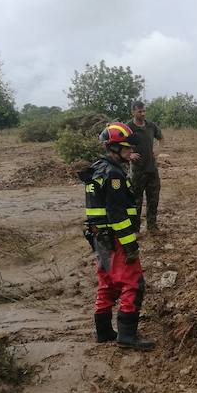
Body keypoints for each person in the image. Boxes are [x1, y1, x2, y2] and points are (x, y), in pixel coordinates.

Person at [78, 122, 155, 350]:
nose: (130, 151)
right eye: (127, 148)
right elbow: (118, 215)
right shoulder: (114, 174)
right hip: (116, 238)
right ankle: (127, 335)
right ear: (114, 148)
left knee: (107, 282)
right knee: (133, 283)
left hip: (99, 238)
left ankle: (103, 331)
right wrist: (130, 246)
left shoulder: (97, 169)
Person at [126, 101, 164, 232]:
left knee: (153, 199)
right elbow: (118, 145)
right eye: (139, 111)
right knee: (136, 201)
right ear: (133, 112)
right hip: (137, 171)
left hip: (152, 169)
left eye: (144, 111)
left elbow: (161, 138)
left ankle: (152, 226)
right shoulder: (128, 128)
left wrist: (158, 149)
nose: (143, 114)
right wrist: (129, 155)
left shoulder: (150, 126)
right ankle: (135, 229)